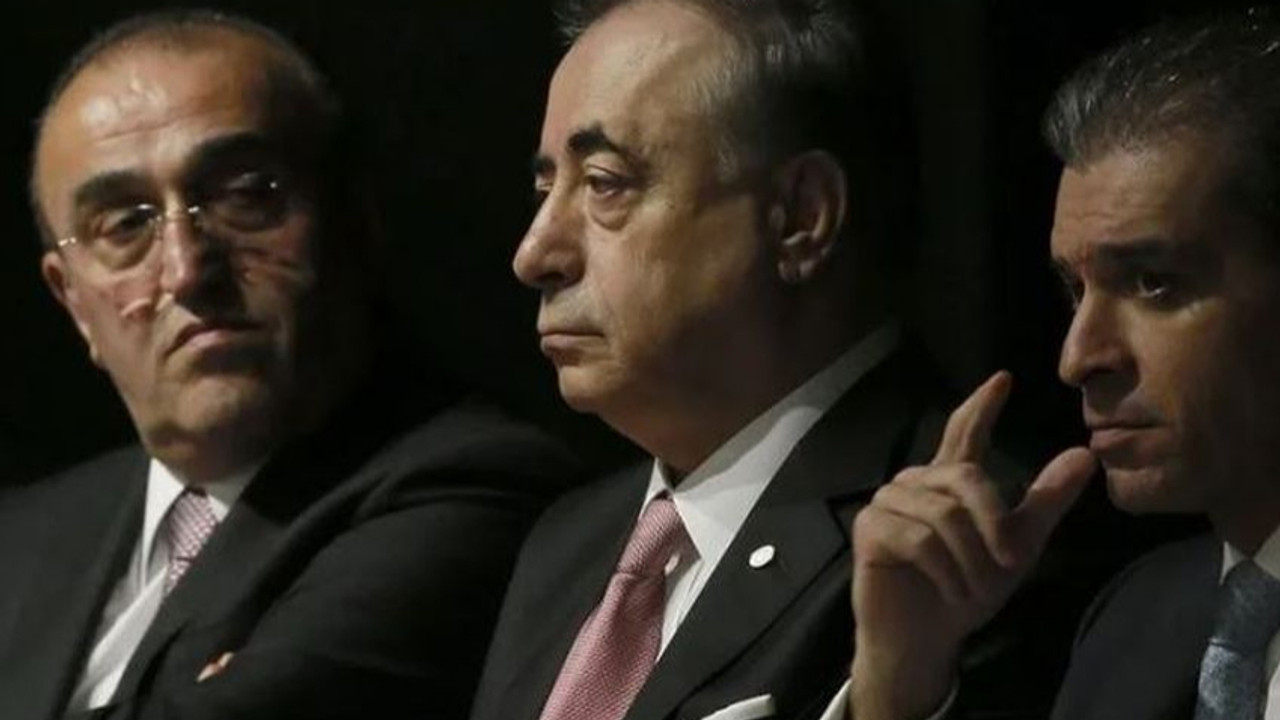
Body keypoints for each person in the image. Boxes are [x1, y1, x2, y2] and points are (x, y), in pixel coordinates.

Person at [469, 1, 1065, 719]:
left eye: (604, 183)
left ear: (801, 217)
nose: (535, 253)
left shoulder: (969, 544)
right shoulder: (564, 546)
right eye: (545, 190)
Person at [0, 10, 575, 720]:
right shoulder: (23, 533)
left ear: (354, 221)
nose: (186, 269)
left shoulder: (476, 485)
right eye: (124, 225)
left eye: (246, 195)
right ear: (73, 301)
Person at [848, 7, 1280, 720]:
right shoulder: (1134, 622)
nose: (1077, 358)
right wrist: (899, 688)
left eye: (1154, 283)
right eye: (1075, 291)